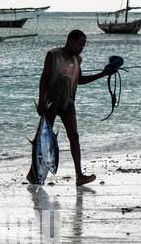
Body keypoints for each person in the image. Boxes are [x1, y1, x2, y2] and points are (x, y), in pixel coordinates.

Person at [28, 30, 114, 186]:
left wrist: (103, 74)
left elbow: (79, 80)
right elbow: (44, 78)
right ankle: (33, 174)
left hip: (68, 103)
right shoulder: (53, 55)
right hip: (50, 103)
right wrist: (41, 102)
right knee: (42, 140)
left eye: (83, 46)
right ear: (70, 41)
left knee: (74, 136)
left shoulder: (77, 59)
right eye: (80, 44)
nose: (82, 48)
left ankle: (79, 175)